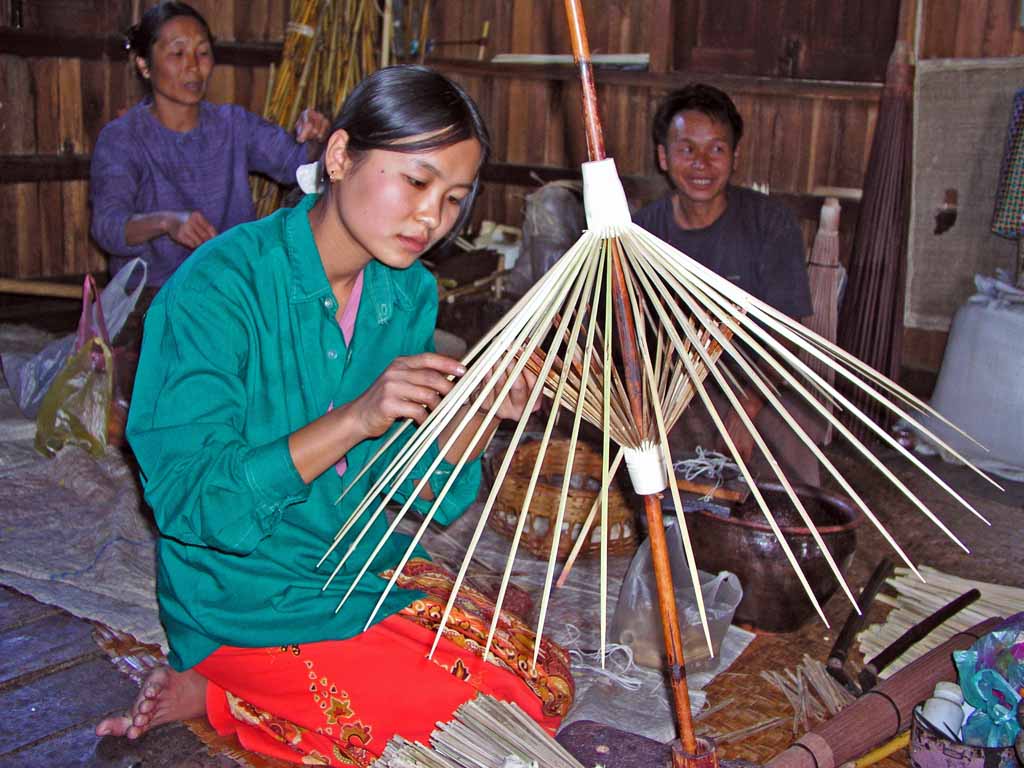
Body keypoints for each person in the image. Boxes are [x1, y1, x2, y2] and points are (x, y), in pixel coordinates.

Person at [94, 65, 573, 767]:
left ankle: (246, 696)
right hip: (241, 595)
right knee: (487, 726)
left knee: (545, 679)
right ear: (342, 156)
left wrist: (480, 412)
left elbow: (416, 490)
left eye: (452, 199)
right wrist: (356, 417)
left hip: (349, 569)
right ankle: (221, 686)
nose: (430, 219)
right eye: (416, 182)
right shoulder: (218, 290)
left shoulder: (404, 292)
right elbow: (196, 506)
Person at [634, 83, 822, 485]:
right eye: (687, 149)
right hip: (674, 386)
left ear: (734, 158)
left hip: (759, 379)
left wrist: (749, 404)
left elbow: (788, 332)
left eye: (716, 149)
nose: (701, 163)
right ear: (664, 157)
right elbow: (625, 325)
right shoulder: (642, 230)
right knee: (639, 459)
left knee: (787, 462)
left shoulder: (769, 223)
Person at [89, 1, 330, 289]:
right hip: (151, 297)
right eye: (178, 53)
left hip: (229, 289)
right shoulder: (123, 139)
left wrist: (316, 139)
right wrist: (166, 222)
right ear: (144, 65)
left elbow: (298, 165)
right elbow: (107, 227)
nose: (193, 66)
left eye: (203, 52)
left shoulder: (232, 125)